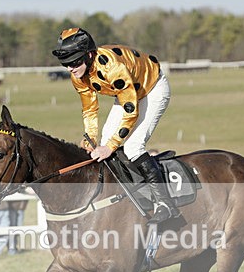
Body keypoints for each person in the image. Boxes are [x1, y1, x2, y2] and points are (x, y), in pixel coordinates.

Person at [51, 27, 179, 224]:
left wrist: (111, 146)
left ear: (89, 55)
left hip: (152, 88)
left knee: (133, 146)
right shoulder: (77, 75)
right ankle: (126, 191)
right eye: (65, 63)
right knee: (103, 142)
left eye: (74, 62)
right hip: (127, 93)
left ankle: (165, 203)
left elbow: (131, 112)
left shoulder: (112, 68)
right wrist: (90, 138)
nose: (70, 68)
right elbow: (90, 109)